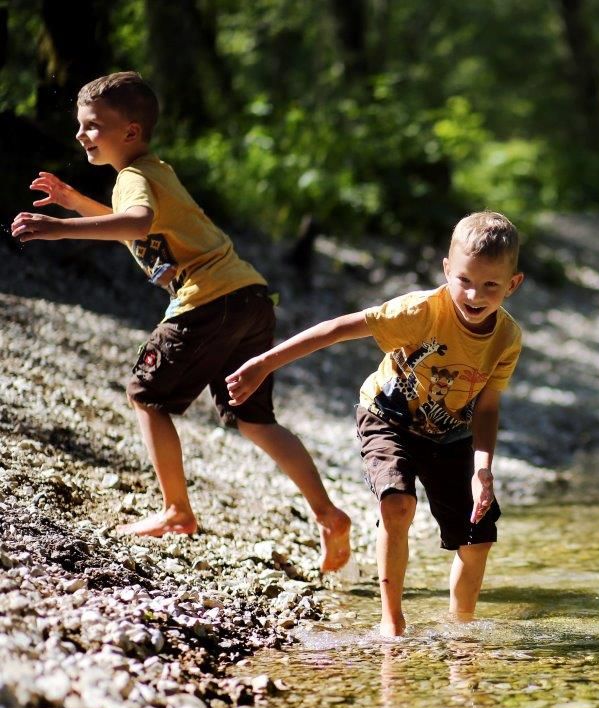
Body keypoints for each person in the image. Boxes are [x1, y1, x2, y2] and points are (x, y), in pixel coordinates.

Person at [9, 71, 351, 571]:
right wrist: (75, 202)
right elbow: (136, 229)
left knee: (145, 394)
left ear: (130, 132)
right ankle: (328, 515)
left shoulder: (133, 179)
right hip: (250, 298)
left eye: (92, 126)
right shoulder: (153, 171)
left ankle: (175, 511)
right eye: (80, 126)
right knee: (255, 420)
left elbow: (135, 224)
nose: (81, 136)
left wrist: (58, 228)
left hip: (208, 299)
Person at [226, 211, 525, 637]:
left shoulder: (507, 338)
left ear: (513, 284)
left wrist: (483, 469)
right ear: (446, 269)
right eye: (464, 280)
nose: (474, 295)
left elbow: (489, 407)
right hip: (389, 417)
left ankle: (464, 633)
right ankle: (392, 621)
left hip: (452, 434)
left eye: (490, 285)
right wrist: (263, 364)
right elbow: (336, 330)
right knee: (398, 505)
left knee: (477, 537)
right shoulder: (420, 311)